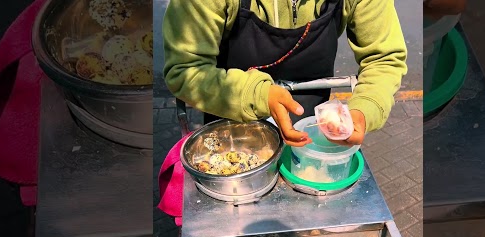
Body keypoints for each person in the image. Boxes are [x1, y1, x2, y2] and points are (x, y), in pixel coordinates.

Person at [162, 0, 407, 147]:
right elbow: (186, 70)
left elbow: (384, 59)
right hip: (229, 114)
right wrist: (258, 94)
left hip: (312, 121)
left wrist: (365, 109)